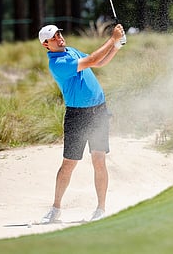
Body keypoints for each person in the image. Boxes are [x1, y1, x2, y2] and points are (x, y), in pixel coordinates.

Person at [38, 23, 126, 223]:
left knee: (99, 161)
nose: (59, 37)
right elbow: (93, 59)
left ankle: (101, 209)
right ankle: (55, 208)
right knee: (69, 164)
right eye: (54, 37)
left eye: (59, 33)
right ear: (46, 44)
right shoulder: (57, 63)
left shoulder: (71, 51)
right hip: (77, 115)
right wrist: (112, 38)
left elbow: (98, 63)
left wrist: (116, 46)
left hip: (99, 112)